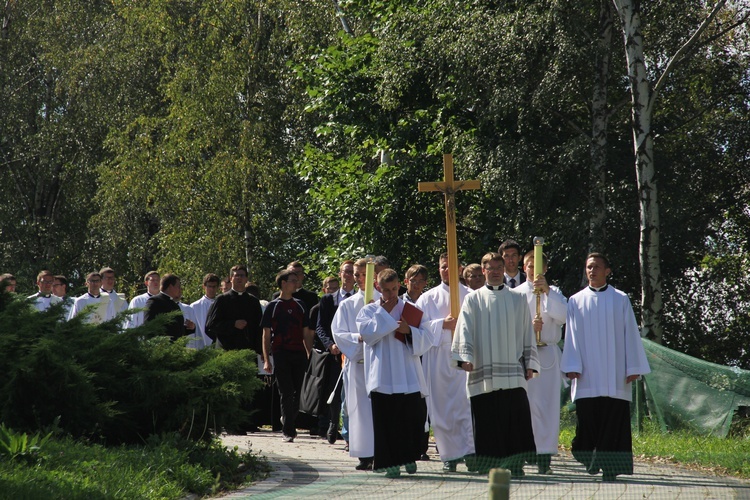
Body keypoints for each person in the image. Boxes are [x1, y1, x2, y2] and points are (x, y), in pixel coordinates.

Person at [561, 253, 651, 482]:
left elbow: (630, 333)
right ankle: (590, 458)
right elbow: (570, 336)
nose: (592, 271)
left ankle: (609, 468)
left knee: (613, 422)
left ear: (607, 271)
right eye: (589, 267)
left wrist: (633, 366)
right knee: (587, 421)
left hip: (614, 374)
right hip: (587, 374)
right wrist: (571, 365)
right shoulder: (575, 300)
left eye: (597, 267)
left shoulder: (620, 299)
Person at [452, 252, 539, 477]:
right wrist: (465, 357)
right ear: (483, 271)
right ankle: (490, 463)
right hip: (484, 369)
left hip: (512, 370)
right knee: (487, 418)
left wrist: (530, 362)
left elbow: (526, 332)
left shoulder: (518, 298)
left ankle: (516, 463)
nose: (495, 271)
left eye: (499, 267)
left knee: (515, 417)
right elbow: (464, 329)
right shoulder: (473, 299)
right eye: (490, 268)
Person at [356, 268, 434, 478]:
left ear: (399, 285)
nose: (391, 295)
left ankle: (408, 458)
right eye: (386, 290)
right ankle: (390, 463)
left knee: (409, 420)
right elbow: (368, 335)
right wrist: (386, 316)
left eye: (393, 289)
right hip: (382, 376)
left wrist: (409, 331)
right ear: (377, 288)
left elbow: (427, 339)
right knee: (386, 422)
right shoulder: (369, 311)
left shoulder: (411, 310)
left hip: (408, 374)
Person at [415, 253, 475, 472]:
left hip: (465, 356)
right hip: (438, 355)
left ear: (460, 269)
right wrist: (442, 325)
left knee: (465, 405)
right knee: (441, 407)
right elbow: (419, 329)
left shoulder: (471, 295)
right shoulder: (427, 298)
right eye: (443, 267)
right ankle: (448, 454)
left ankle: (470, 451)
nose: (447, 270)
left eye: (451, 267)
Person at [514, 250, 567, 474]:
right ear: (523, 268)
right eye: (528, 265)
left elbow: (565, 317)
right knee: (525, 406)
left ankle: (545, 456)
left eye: (537, 266)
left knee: (547, 406)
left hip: (548, 355)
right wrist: (528, 329)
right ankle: (526, 452)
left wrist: (547, 293)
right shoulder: (514, 294)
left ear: (545, 269)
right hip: (524, 355)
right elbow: (509, 326)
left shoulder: (554, 293)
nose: (533, 270)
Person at [332, 257, 381, 471]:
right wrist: (358, 338)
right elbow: (339, 334)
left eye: (365, 274)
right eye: (357, 275)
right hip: (359, 364)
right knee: (359, 409)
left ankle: (382, 451)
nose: (361, 279)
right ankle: (364, 453)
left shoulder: (385, 300)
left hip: (381, 365)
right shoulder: (347, 305)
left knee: (379, 409)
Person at [262, 269, 314, 442]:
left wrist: (309, 353)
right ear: (283, 284)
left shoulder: (300, 305)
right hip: (280, 353)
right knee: (285, 392)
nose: (296, 282)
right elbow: (266, 334)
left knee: (298, 392)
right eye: (292, 280)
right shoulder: (273, 306)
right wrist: (267, 359)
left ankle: (288, 418)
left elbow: (306, 332)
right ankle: (288, 431)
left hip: (299, 353)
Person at [317, 261, 356, 447]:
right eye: (345, 272)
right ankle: (333, 422)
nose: (348, 275)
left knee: (350, 393)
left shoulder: (361, 298)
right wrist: (330, 344)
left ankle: (349, 432)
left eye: (351, 272)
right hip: (335, 354)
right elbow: (321, 327)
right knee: (335, 390)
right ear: (340, 274)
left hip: (353, 353)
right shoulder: (328, 300)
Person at [304, 273, 344, 442]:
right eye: (330, 288)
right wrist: (323, 347)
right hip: (324, 353)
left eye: (336, 288)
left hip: (341, 350)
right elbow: (314, 331)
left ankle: (334, 423)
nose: (333, 291)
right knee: (325, 389)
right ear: (324, 289)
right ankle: (324, 424)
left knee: (336, 388)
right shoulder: (318, 307)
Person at [205, 265, 264, 352]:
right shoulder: (221, 300)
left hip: (248, 351)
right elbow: (210, 326)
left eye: (242, 275)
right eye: (236, 275)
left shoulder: (253, 301)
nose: (239, 278)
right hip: (226, 351)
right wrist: (233, 324)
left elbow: (259, 328)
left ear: (246, 279)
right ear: (231, 278)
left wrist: (260, 349)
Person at [144, 273, 194, 341]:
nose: (180, 290)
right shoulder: (154, 302)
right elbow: (149, 327)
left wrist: (190, 328)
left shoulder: (175, 305)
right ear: (170, 287)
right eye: (178, 287)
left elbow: (176, 331)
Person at [189, 273, 221, 348]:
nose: (212, 289)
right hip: (200, 346)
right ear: (204, 287)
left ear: (218, 287)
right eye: (209, 286)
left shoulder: (222, 304)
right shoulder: (194, 306)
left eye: (214, 287)